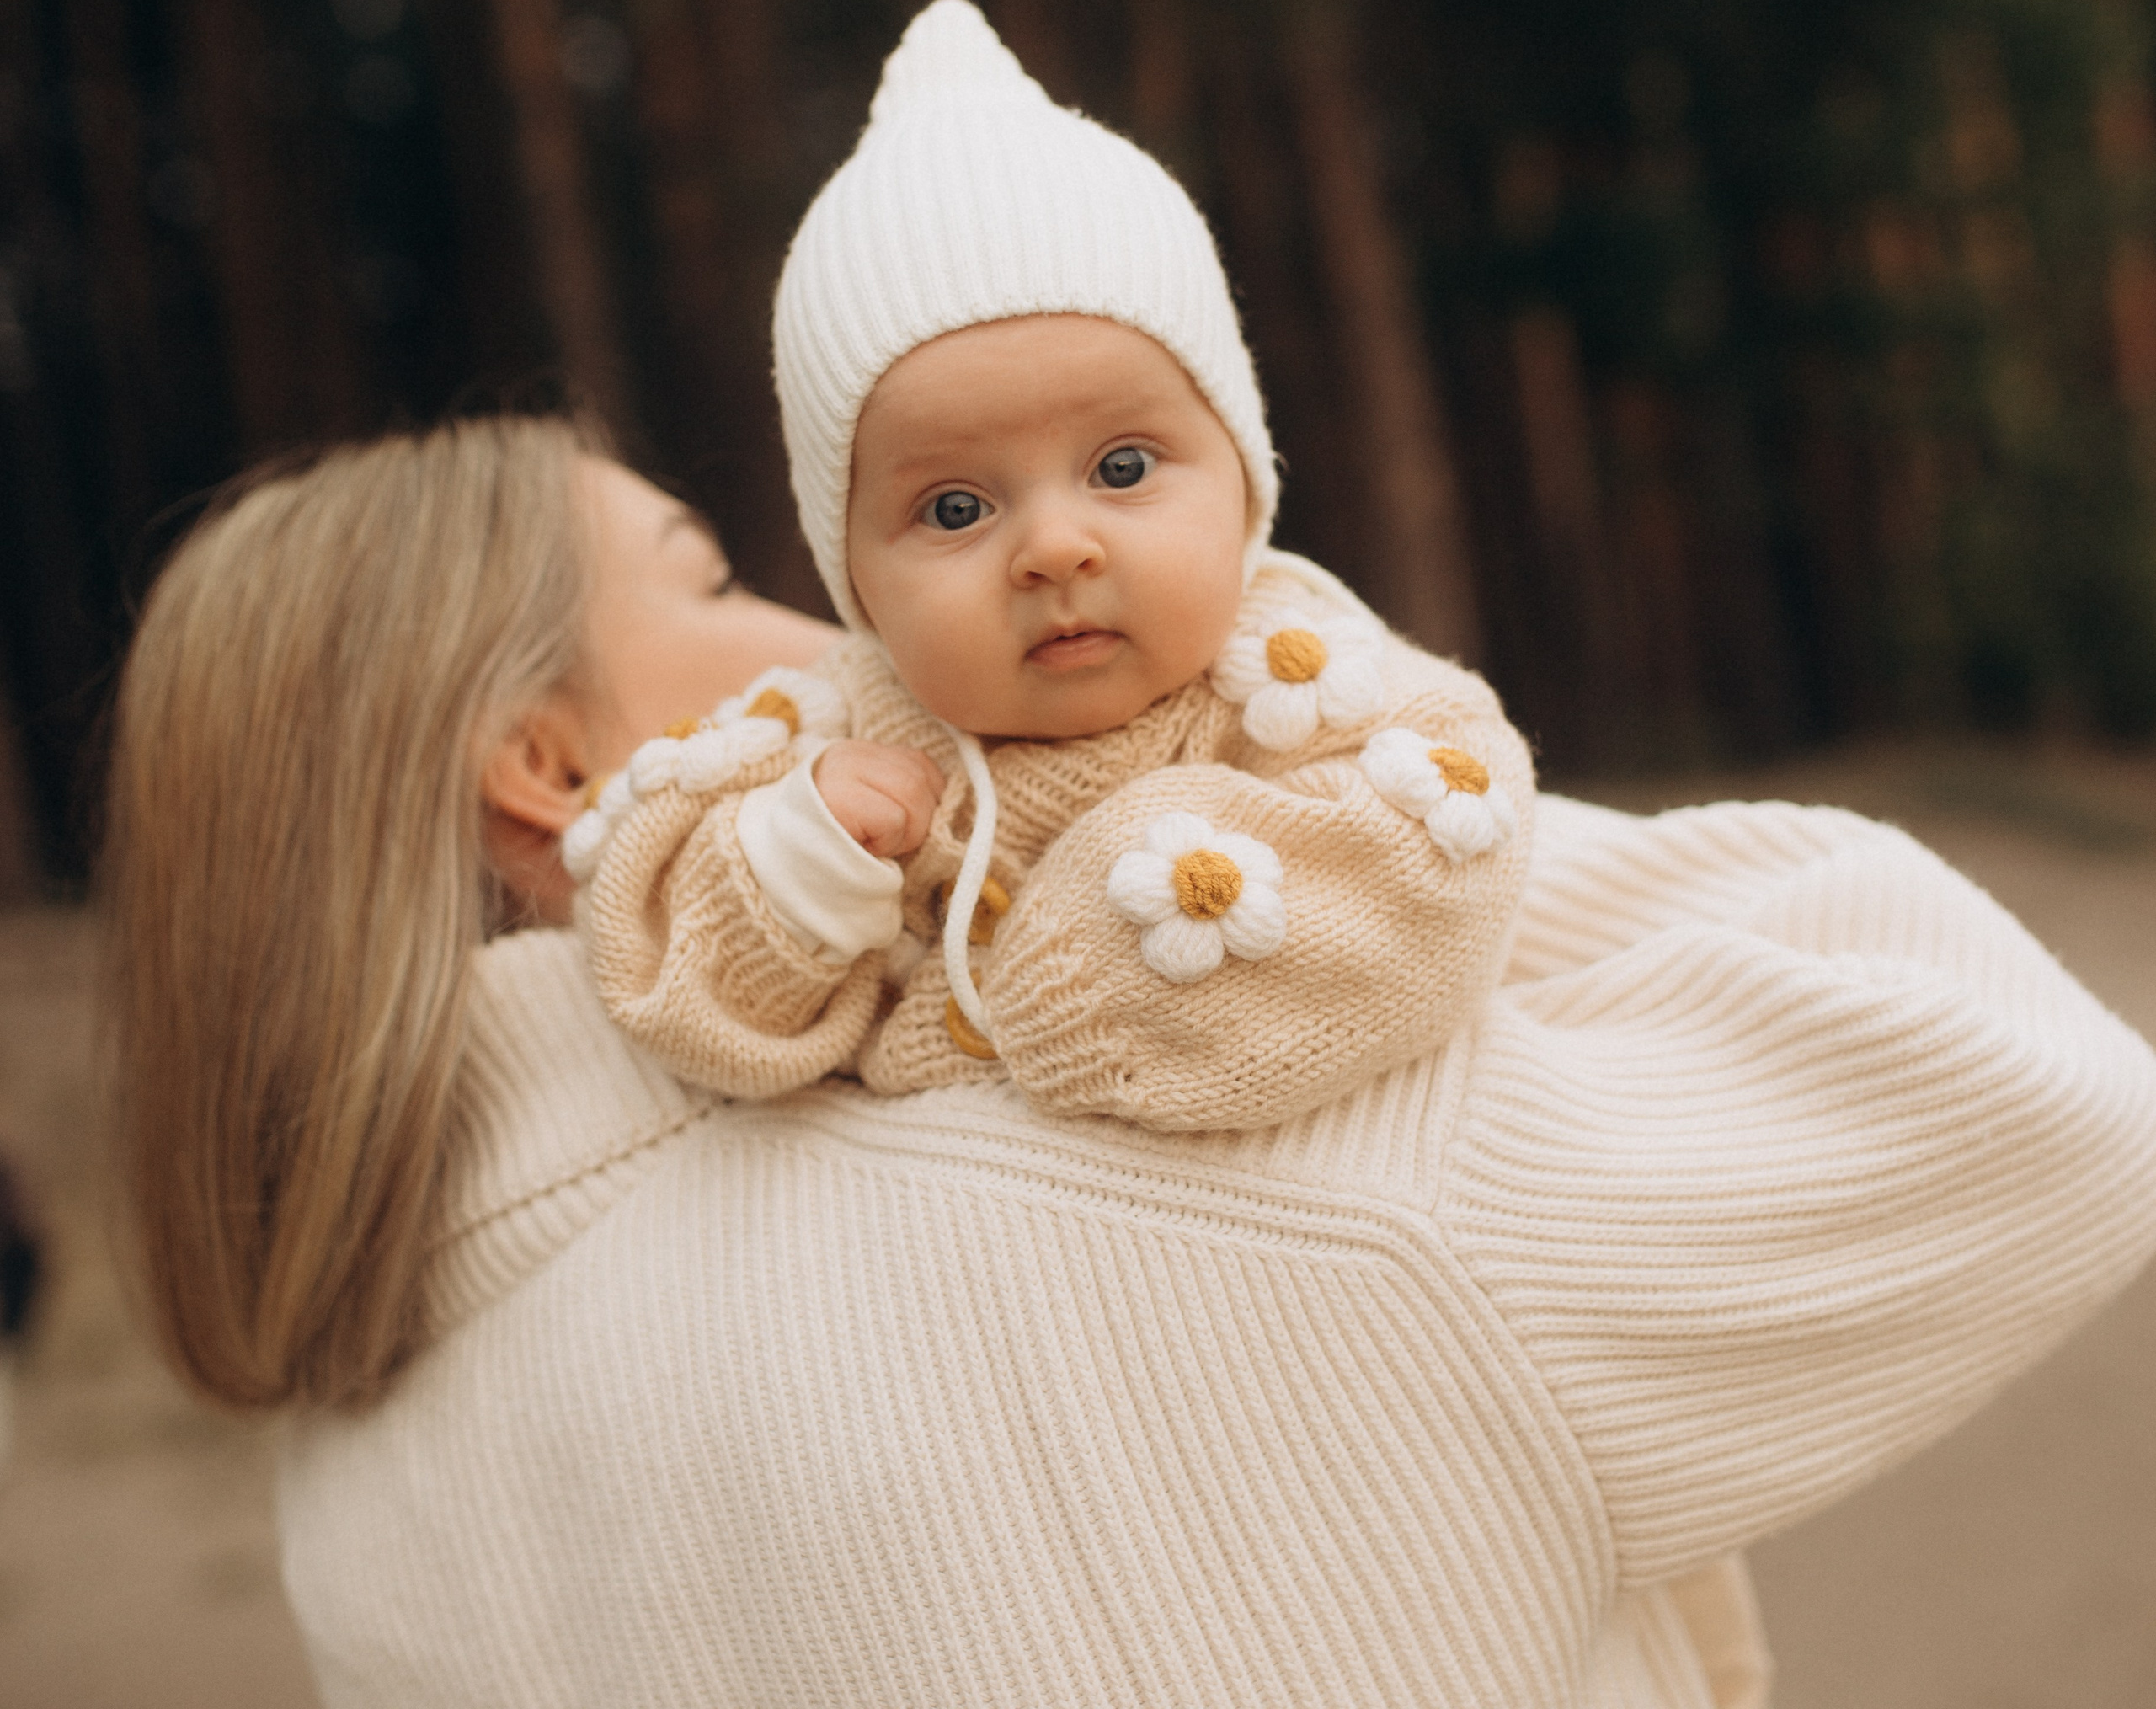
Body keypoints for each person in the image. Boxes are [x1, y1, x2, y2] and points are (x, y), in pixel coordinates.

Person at [101, 403, 2156, 1708]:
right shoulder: (1221, 1138)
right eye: (715, 582)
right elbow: (2017, 1084)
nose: (845, 623)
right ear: (555, 771)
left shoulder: (348, 1473)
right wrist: (1282, 800)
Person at [572, 0, 1535, 1132]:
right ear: (854, 581)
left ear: (1243, 481)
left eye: (1123, 468)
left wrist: (1060, 1004)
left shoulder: (1303, 680)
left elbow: (1440, 855)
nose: (1054, 548)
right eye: (956, 506)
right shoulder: (836, 737)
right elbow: (655, 950)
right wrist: (800, 860)